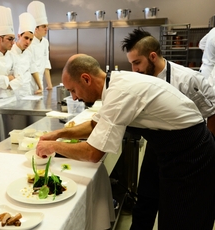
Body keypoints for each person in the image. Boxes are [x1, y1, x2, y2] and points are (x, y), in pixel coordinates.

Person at [37, 54, 215, 229]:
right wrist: (58, 134)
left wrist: (52, 146)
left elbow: (93, 153)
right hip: (172, 149)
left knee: (183, 220)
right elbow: (94, 124)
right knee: (164, 209)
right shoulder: (115, 83)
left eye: (73, 90)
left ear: (86, 79)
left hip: (191, 154)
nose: (74, 97)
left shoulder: (119, 92)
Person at [121, 28, 215, 229]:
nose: (134, 69)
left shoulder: (188, 79)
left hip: (187, 156)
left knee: (176, 207)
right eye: (131, 64)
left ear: (152, 56)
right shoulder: (141, 80)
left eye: (137, 63)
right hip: (157, 148)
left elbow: (212, 113)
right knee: (145, 200)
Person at [0, 6, 23, 143]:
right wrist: (10, 78)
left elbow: (21, 78)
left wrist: (6, 81)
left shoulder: (12, 55)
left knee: (15, 136)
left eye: (13, 39)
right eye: (10, 39)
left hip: (12, 100)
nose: (13, 43)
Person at [27, 1, 53, 94]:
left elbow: (46, 63)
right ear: (36, 28)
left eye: (47, 26)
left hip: (40, 83)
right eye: (44, 26)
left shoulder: (45, 42)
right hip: (29, 84)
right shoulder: (28, 43)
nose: (46, 29)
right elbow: (32, 66)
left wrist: (49, 85)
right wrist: (40, 86)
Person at [10, 12, 37, 98]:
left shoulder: (28, 53)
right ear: (19, 36)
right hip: (13, 95)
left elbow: (32, 70)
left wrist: (40, 86)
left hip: (27, 93)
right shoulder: (10, 52)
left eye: (31, 39)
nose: (28, 42)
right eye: (26, 38)